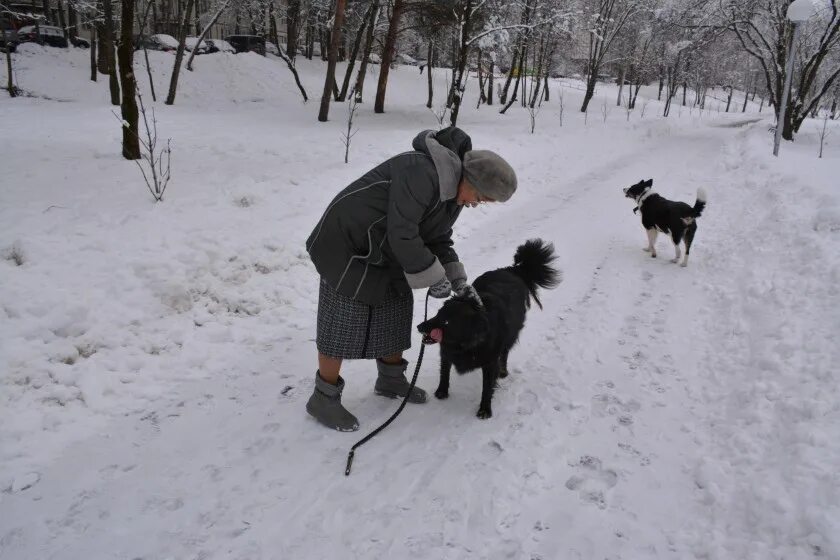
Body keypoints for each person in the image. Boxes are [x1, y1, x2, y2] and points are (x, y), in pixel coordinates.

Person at [304, 126, 517, 431]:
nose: (475, 204)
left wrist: (457, 280)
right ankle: (323, 398)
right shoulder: (420, 172)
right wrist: (433, 276)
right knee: (343, 321)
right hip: (348, 243)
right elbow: (403, 232)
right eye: (481, 197)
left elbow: (438, 238)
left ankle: (390, 379)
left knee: (395, 308)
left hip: (385, 247)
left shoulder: (452, 195)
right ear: (470, 179)